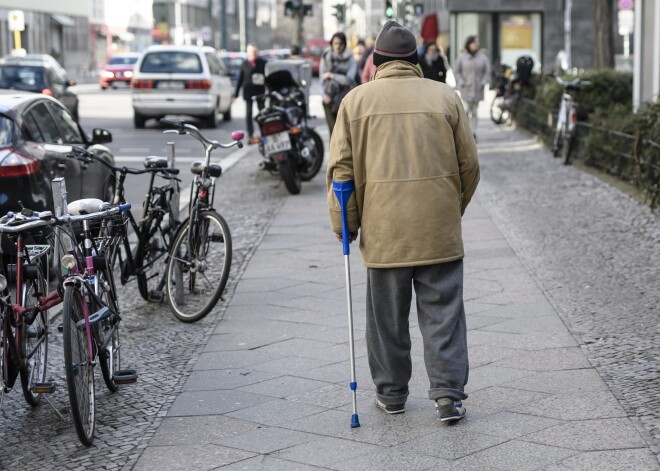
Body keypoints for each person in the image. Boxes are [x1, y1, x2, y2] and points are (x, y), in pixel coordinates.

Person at [326, 21, 480, 422]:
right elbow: (470, 166)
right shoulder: (445, 97)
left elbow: (341, 173)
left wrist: (348, 227)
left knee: (386, 321)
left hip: (384, 233)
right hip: (438, 231)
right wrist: (450, 209)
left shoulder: (355, 103)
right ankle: (448, 395)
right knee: (443, 314)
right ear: (415, 62)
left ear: (376, 61)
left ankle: (392, 394)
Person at [454, 35, 491, 142]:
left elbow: (487, 72)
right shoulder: (462, 56)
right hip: (466, 88)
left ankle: (472, 132)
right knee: (465, 110)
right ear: (469, 44)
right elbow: (457, 71)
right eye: (474, 43)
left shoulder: (483, 57)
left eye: (477, 43)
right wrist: (461, 81)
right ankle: (466, 132)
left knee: (474, 111)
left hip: (478, 88)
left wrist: (483, 82)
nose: (476, 45)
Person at [320, 32, 357, 136]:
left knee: (346, 132)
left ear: (344, 44)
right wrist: (323, 95)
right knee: (333, 132)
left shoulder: (350, 58)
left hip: (345, 97)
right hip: (329, 98)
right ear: (331, 44)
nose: (337, 46)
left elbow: (349, 79)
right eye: (335, 43)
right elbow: (321, 78)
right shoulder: (326, 56)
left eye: (340, 43)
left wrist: (332, 76)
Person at [234, 44, 267, 144]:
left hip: (260, 92)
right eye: (251, 52)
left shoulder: (263, 63)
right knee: (249, 114)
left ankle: (264, 133)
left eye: (255, 52)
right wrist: (235, 94)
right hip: (248, 92)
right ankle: (250, 134)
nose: (253, 54)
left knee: (262, 113)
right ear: (248, 53)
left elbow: (268, 77)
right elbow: (240, 79)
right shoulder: (245, 64)